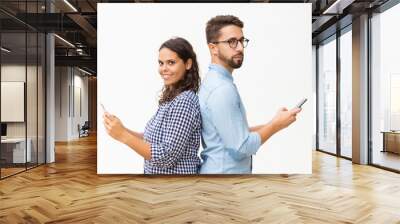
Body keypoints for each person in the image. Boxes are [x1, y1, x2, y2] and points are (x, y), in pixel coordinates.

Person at [199, 15, 302, 174]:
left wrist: (275, 122)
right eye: (232, 42)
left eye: (241, 41)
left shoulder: (215, 81)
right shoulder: (221, 89)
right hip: (225, 182)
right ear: (213, 48)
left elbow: (234, 132)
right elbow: (242, 147)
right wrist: (275, 126)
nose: (240, 47)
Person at [103, 37, 202, 174]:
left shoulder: (184, 101)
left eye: (171, 63)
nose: (163, 69)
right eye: (161, 63)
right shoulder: (172, 98)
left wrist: (123, 136)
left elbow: (166, 156)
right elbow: (151, 138)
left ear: (188, 64)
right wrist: (122, 129)